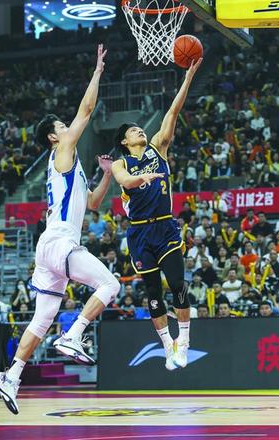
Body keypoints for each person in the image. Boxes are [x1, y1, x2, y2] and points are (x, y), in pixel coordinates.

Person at [0, 45, 120, 416]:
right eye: (62, 127)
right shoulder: (62, 149)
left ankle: (11, 375)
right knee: (110, 285)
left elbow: (93, 203)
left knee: (41, 320)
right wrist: (97, 72)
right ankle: (74, 334)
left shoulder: (70, 166)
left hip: (50, 247)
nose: (68, 128)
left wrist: (107, 175)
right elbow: (87, 110)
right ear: (53, 137)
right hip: (60, 241)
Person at [111, 57, 202, 372]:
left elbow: (173, 112)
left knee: (177, 285)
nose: (140, 130)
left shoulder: (158, 148)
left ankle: (184, 342)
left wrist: (187, 78)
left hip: (165, 227)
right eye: (133, 130)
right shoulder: (120, 163)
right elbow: (124, 181)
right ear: (125, 142)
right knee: (152, 294)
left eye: (140, 128)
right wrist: (142, 179)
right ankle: (168, 348)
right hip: (139, 232)